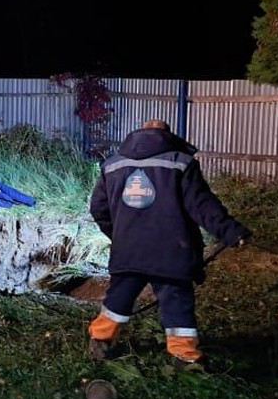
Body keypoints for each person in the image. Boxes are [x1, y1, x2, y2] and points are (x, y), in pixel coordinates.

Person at [87, 119, 249, 369]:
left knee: (118, 298)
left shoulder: (113, 165)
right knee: (176, 301)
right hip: (172, 251)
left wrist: (119, 236)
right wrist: (231, 231)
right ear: (168, 137)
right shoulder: (180, 163)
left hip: (128, 251)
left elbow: (99, 209)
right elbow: (202, 206)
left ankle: (100, 340)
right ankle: (183, 356)